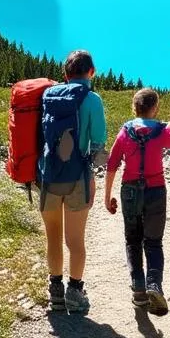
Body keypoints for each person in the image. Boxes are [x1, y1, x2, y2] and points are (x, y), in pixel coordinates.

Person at [104, 88, 170, 316]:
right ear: (155, 108)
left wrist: (107, 195)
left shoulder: (125, 132)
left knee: (132, 240)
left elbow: (112, 163)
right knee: (154, 242)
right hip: (155, 190)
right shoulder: (160, 131)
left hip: (129, 191)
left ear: (134, 107)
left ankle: (138, 289)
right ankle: (154, 285)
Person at [39, 49, 107, 316]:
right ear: (92, 72)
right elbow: (99, 146)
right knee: (75, 240)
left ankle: (55, 292)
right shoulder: (92, 99)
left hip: (49, 175)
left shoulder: (48, 95)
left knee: (52, 237)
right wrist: (94, 175)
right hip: (78, 177)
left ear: (65, 74)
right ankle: (75, 292)